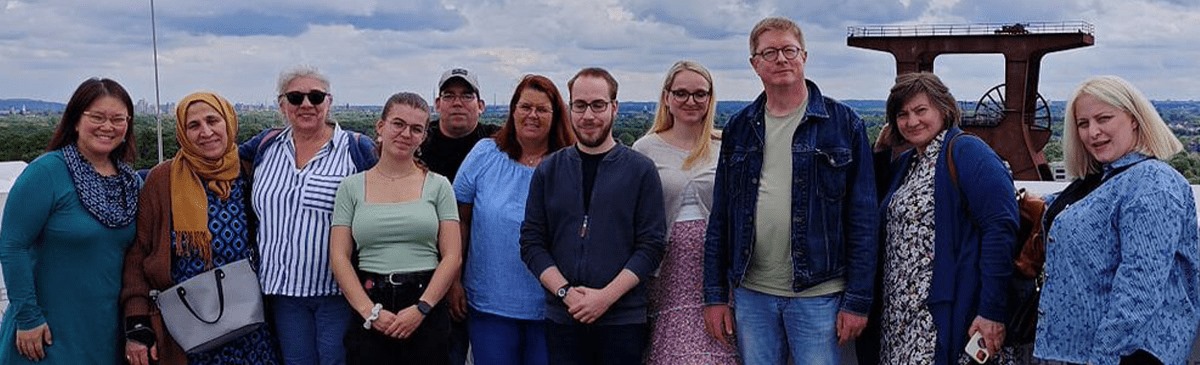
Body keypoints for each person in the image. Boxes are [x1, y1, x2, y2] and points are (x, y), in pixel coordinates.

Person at [702, 16, 879, 365]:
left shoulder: (844, 124)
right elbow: (721, 216)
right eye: (769, 52)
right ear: (755, 64)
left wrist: (858, 300)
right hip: (752, 292)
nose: (781, 59)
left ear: (804, 57)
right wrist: (714, 295)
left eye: (789, 50)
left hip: (820, 294)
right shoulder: (739, 127)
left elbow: (863, 221)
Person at [1034, 75, 1200, 365]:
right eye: (1083, 124)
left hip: (1122, 356)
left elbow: (1139, 289)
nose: (1093, 132)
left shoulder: (1152, 184)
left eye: (1104, 118)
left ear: (1134, 119)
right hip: (1071, 351)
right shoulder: (1101, 180)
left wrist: (1103, 357)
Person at [864, 72, 1017, 365]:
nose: (912, 121)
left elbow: (1001, 227)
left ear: (944, 109)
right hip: (903, 320)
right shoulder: (910, 163)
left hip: (946, 316)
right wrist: (883, 152)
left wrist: (991, 311)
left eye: (921, 111)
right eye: (902, 114)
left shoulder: (966, 151)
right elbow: (876, 205)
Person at [120, 92, 282, 365]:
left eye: (212, 120)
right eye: (193, 125)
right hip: (188, 330)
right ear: (182, 133)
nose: (205, 132)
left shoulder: (250, 171)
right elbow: (138, 255)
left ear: (228, 122)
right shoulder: (163, 179)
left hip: (250, 326)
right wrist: (137, 325)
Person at [520, 67, 666, 365]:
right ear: (570, 108)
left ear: (614, 107)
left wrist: (605, 297)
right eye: (580, 105)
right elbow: (532, 242)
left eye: (598, 105)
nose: (589, 116)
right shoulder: (550, 170)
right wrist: (566, 293)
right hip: (564, 317)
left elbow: (651, 246)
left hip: (623, 319)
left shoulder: (640, 170)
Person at [238, 65, 377, 365]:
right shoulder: (265, 147)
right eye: (295, 97)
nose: (306, 105)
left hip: (336, 292)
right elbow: (218, 163)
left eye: (315, 97)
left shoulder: (356, 150)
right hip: (282, 292)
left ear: (329, 102)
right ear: (282, 104)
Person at [0, 78, 140, 364]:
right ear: (76, 120)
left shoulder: (131, 183)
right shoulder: (47, 172)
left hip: (105, 332)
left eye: (118, 119)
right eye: (97, 117)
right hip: (46, 332)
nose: (107, 126)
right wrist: (28, 317)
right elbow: (12, 245)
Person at [329, 92, 462, 365]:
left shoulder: (439, 185)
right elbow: (339, 256)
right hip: (370, 299)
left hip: (426, 301)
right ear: (381, 127)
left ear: (424, 136)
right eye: (398, 124)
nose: (406, 134)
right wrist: (370, 312)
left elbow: (452, 256)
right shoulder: (351, 187)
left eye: (416, 129)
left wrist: (422, 308)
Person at [453, 74, 575, 365]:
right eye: (525, 107)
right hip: (489, 303)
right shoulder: (484, 154)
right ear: (513, 110)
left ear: (556, 115)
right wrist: (453, 281)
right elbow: (459, 222)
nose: (532, 115)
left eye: (542, 109)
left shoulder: (571, 162)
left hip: (552, 307)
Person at [632, 61, 737, 365]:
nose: (690, 101)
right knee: (674, 352)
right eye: (681, 93)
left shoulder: (725, 145)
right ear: (666, 97)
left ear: (710, 98)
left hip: (717, 266)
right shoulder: (645, 149)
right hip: (667, 267)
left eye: (699, 94)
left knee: (718, 348)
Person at [424, 67, 499, 365]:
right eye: (449, 95)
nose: (457, 102)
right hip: (428, 271)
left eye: (466, 95)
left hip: (490, 271)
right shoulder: (418, 142)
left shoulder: (499, 143)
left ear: (480, 105)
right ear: (437, 104)